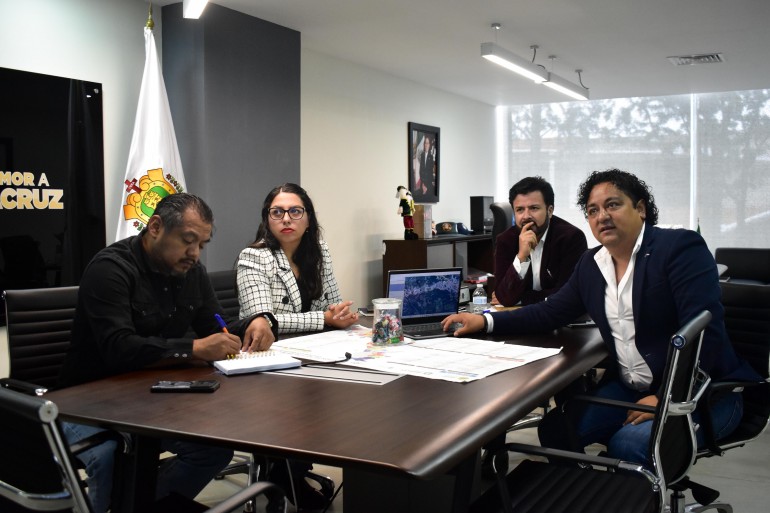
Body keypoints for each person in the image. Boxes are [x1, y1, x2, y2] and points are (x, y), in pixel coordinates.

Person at [441, 168, 761, 468]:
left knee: (629, 444)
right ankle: (585, 493)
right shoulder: (591, 264)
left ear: (640, 209)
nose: (602, 216)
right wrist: (486, 322)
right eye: (593, 210)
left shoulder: (678, 248)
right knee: (556, 429)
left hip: (703, 393)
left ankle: (636, 494)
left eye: (613, 205)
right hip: (634, 387)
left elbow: (702, 333)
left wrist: (669, 397)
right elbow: (550, 311)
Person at [58, 193, 278, 513]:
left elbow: (216, 326)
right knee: (111, 456)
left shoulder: (192, 272)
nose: (194, 254)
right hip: (89, 401)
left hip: (151, 397)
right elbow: (119, 347)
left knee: (212, 451)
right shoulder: (110, 269)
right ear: (155, 227)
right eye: (187, 241)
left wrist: (255, 322)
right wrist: (193, 348)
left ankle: (140, 506)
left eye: (202, 244)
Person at [236, 183, 357, 510]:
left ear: (308, 218)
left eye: (295, 211)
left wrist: (339, 314)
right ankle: (283, 471)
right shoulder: (254, 257)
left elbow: (332, 303)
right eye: (277, 212)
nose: (286, 219)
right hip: (269, 360)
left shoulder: (319, 250)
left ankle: (293, 466)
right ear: (267, 218)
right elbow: (265, 321)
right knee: (298, 405)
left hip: (314, 352)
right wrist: (324, 319)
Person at [494, 176, 588, 306]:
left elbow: (568, 295)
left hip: (560, 315)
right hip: (520, 315)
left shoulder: (571, 238)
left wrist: (521, 299)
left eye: (534, 208)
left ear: (549, 211)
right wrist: (521, 257)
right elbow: (504, 298)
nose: (526, 216)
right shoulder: (505, 240)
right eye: (520, 210)